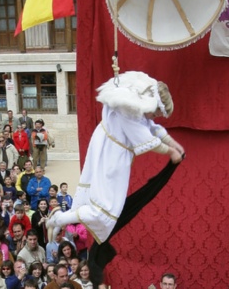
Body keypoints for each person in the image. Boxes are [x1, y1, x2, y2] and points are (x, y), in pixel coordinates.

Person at [47, 72, 184, 245]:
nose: (154, 118)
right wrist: (170, 152)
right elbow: (146, 138)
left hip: (113, 152)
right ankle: (59, 219)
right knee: (104, 211)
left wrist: (173, 143)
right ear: (153, 105)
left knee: (101, 206)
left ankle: (60, 219)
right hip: (111, 155)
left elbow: (151, 127)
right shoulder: (129, 111)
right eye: (156, 113)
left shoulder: (139, 111)